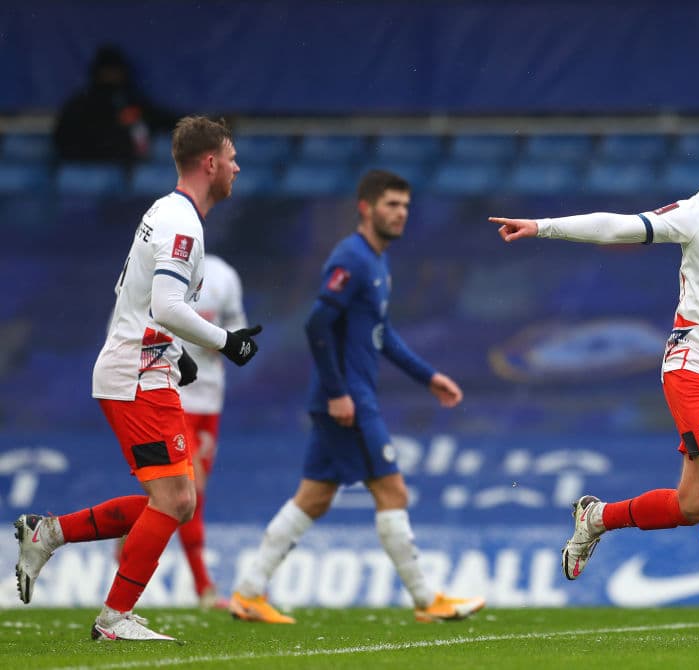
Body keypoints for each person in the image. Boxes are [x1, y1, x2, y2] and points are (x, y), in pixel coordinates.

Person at [490, 123, 699, 646]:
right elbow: (619, 228)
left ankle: (596, 517)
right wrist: (542, 226)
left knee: (692, 505)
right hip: (693, 364)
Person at [14, 115, 263, 641]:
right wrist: (226, 342)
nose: (237, 167)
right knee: (176, 501)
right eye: (232, 157)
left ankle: (49, 534)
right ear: (210, 163)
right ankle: (112, 618)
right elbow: (167, 305)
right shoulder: (182, 223)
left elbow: (132, 293)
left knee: (174, 500)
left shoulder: (165, 211)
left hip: (143, 366)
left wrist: (177, 352)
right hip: (138, 375)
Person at [229, 169, 485, 624]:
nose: (400, 213)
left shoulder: (378, 262)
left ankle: (248, 592)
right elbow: (316, 323)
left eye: (405, 206)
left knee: (313, 498)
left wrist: (428, 377)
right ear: (366, 208)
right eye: (391, 205)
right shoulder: (352, 257)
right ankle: (427, 600)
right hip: (348, 400)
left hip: (346, 396)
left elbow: (381, 335)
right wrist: (337, 392)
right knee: (392, 490)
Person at [177, 254, 248, 609]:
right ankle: (204, 587)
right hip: (172, 393)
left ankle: (128, 530)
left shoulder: (224, 275)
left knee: (184, 498)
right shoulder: (160, 268)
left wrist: (227, 342)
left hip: (210, 399)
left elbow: (239, 332)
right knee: (189, 488)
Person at [54, 44, 177, 163]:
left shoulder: (130, 101)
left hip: (126, 167)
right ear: (98, 73)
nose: (112, 76)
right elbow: (64, 141)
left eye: (115, 72)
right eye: (107, 72)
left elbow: (158, 118)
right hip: (87, 165)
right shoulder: (80, 105)